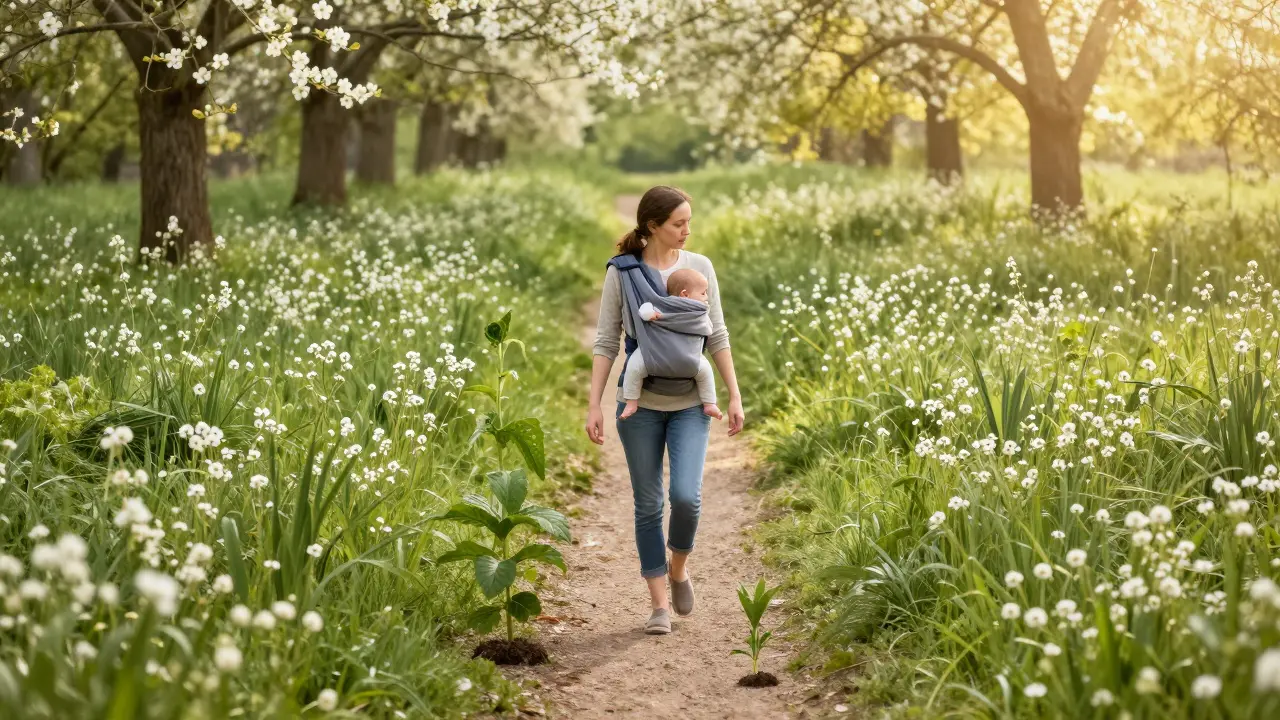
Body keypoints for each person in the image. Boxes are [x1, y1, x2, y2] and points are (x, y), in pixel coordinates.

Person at [585, 185, 745, 635]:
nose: (687, 231)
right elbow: (605, 343)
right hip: (641, 406)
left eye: (689, 222)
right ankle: (658, 606)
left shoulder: (701, 269)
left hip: (692, 401)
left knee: (686, 499)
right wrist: (594, 404)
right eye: (679, 224)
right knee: (649, 504)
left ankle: (678, 568)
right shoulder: (623, 273)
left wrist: (733, 394)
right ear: (653, 226)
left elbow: (717, 335)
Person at [620, 267, 722, 422]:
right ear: (685, 294)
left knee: (706, 371)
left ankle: (709, 403)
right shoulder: (666, 304)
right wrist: (651, 314)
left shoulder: (700, 312)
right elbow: (644, 309)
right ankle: (632, 402)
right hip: (657, 352)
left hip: (679, 355)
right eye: (703, 293)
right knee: (633, 366)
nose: (706, 297)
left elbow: (707, 328)